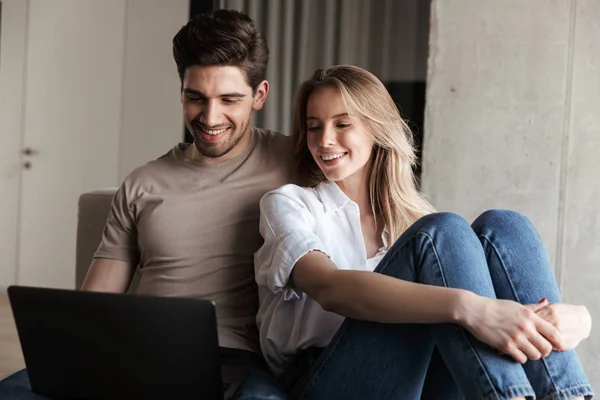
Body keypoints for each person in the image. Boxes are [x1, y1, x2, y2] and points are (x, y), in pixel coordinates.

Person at [254, 65, 594, 400]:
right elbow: (328, 288)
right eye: (314, 127)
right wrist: (471, 308)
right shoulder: (290, 205)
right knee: (444, 232)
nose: (325, 140)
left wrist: (579, 317)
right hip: (327, 378)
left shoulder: (416, 222)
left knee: (505, 226)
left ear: (377, 129)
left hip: (420, 378)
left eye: (342, 124)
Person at [0, 10, 290, 400]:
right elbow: (96, 301)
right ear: (181, 92)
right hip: (133, 350)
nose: (210, 116)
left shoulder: (294, 161)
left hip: (237, 358)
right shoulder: (143, 182)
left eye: (229, 99)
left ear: (260, 95)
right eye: (195, 98)